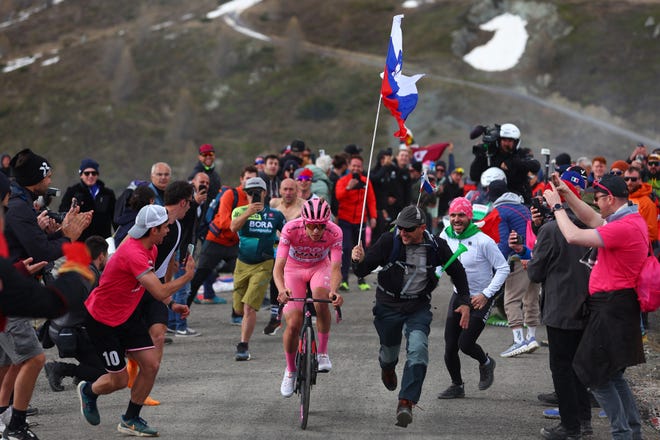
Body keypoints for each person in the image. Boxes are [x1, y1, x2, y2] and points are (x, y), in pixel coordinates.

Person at [543, 173, 646, 440]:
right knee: (611, 375)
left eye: (598, 198)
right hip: (615, 306)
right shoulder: (629, 219)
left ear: (611, 198)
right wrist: (566, 193)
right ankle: (631, 433)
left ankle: (623, 434)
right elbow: (592, 219)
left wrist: (556, 207)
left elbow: (574, 235)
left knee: (594, 375)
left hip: (611, 308)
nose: (597, 203)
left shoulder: (624, 227)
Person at [77, 204, 194, 437]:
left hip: (126, 316)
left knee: (151, 364)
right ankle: (89, 391)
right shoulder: (135, 253)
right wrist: (188, 276)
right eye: (164, 228)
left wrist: (171, 304)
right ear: (152, 230)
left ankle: (130, 419)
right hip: (102, 320)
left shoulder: (148, 246)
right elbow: (158, 291)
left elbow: (155, 291)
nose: (167, 231)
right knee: (119, 380)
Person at [351, 205, 471, 428]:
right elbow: (361, 271)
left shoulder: (436, 245)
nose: (403, 233)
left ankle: (406, 402)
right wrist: (357, 260)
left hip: (417, 306)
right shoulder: (389, 241)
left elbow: (457, 271)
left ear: (423, 228)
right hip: (388, 305)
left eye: (408, 229)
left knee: (418, 350)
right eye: (400, 228)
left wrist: (464, 302)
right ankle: (387, 367)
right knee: (389, 353)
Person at [1, 149, 91, 440]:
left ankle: (7, 421)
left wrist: (59, 232)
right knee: (34, 359)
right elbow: (40, 252)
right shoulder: (17, 208)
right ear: (35, 179)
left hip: (13, 288)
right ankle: (15, 426)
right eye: (47, 174)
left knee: (10, 363)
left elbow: (37, 245)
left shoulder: (21, 205)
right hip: (11, 293)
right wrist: (68, 237)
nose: (51, 178)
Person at [527, 184, 593, 440]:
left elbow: (535, 272)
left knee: (562, 368)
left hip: (560, 308)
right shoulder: (593, 226)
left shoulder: (551, 229)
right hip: (589, 306)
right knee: (579, 367)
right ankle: (584, 421)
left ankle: (570, 426)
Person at [437, 198, 509, 399]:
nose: (457, 219)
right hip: (460, 295)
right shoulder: (445, 235)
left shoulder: (483, 240)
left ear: (469, 216)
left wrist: (487, 294)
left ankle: (486, 363)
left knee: (465, 344)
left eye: (461, 215)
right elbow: (437, 258)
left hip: (480, 296)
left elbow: (504, 268)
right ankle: (457, 385)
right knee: (450, 345)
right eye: (453, 215)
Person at [273, 199, 343, 397]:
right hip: (293, 270)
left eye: (321, 226)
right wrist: (281, 290)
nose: (316, 231)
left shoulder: (335, 231)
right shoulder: (290, 229)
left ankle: (322, 352)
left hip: (319, 267)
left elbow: (336, 268)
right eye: (311, 226)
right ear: (304, 222)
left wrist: (335, 291)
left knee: (322, 299)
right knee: (294, 323)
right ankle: (290, 370)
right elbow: (278, 268)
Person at [187, 166, 257, 318]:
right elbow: (225, 222)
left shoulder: (255, 198)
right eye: (248, 179)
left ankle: (237, 315)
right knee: (198, 278)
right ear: (241, 179)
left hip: (234, 244)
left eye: (254, 180)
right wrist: (246, 219)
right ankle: (180, 314)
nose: (251, 183)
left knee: (241, 279)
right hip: (216, 241)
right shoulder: (231, 195)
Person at [230, 177, 285, 360]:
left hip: (264, 264)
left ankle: (243, 345)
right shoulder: (239, 211)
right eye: (249, 192)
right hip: (242, 264)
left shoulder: (275, 215)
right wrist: (248, 212)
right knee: (238, 309)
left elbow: (286, 235)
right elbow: (233, 228)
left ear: (264, 193)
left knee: (248, 308)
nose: (253, 195)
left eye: (256, 192)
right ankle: (245, 326)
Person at [44, 236, 108, 392]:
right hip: (68, 331)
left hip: (56, 327)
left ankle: (84, 371)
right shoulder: (89, 275)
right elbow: (91, 312)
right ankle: (61, 369)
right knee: (107, 372)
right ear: (101, 256)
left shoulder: (76, 268)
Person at [485, 180, 541, 357]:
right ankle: (531, 338)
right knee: (531, 299)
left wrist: (496, 268)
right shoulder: (522, 207)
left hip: (518, 259)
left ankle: (519, 341)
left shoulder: (500, 211)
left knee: (511, 300)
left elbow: (503, 243)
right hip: (534, 257)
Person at [263, 178, 305, 335]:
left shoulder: (304, 205)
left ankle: (303, 312)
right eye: (285, 189)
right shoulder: (274, 203)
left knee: (300, 281)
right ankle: (275, 316)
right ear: (280, 191)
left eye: (291, 189)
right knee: (276, 280)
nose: (288, 193)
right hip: (278, 247)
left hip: (296, 250)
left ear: (297, 190)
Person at [334, 155, 377, 291]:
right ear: (349, 166)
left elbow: (371, 200)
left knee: (360, 249)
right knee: (346, 249)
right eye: (354, 165)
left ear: (362, 167)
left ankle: (361, 279)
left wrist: (373, 217)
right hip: (345, 220)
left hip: (360, 220)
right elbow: (338, 196)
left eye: (358, 166)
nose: (356, 168)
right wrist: (348, 188)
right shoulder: (343, 180)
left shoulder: (366, 182)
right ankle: (344, 280)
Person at [469, 123, 540, 204]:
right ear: (499, 140)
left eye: (510, 141)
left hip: (519, 199)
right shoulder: (491, 154)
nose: (506, 143)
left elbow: (536, 165)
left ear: (516, 142)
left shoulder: (521, 154)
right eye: (504, 140)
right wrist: (480, 156)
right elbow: (474, 176)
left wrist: (513, 163)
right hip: (490, 201)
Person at [59, 158, 116, 242]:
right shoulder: (73, 192)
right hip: (80, 241)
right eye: (87, 173)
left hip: (103, 241)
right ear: (81, 175)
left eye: (94, 173)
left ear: (97, 175)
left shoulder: (108, 193)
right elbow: (63, 213)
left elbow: (115, 217)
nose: (90, 176)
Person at [623, 166, 658, 247]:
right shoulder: (619, 197)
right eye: (626, 179)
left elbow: (652, 234)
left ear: (640, 181)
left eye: (633, 179)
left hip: (636, 246)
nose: (629, 182)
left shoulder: (647, 203)